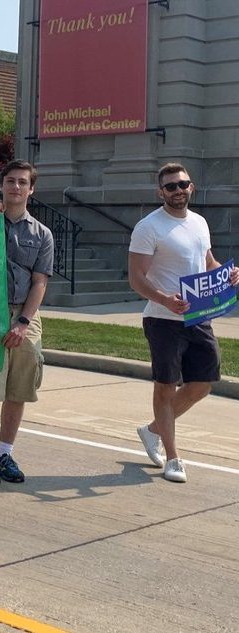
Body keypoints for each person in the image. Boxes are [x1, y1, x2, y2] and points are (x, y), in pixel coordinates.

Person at [129, 163, 239, 483]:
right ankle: (173, 457)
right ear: (160, 192)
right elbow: (136, 278)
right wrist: (164, 299)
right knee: (166, 385)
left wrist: (226, 274)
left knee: (203, 383)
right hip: (163, 319)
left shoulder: (200, 223)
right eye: (170, 187)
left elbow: (206, 262)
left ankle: (152, 430)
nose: (178, 191)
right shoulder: (149, 227)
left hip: (197, 315)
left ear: (191, 187)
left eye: (183, 184)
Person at [0, 160, 53, 486]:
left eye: (22, 182)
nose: (16, 187)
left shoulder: (42, 234)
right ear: (1, 185)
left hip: (24, 315)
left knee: (19, 390)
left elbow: (40, 281)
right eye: (10, 181)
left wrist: (23, 322)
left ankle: (4, 453)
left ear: (31, 189)